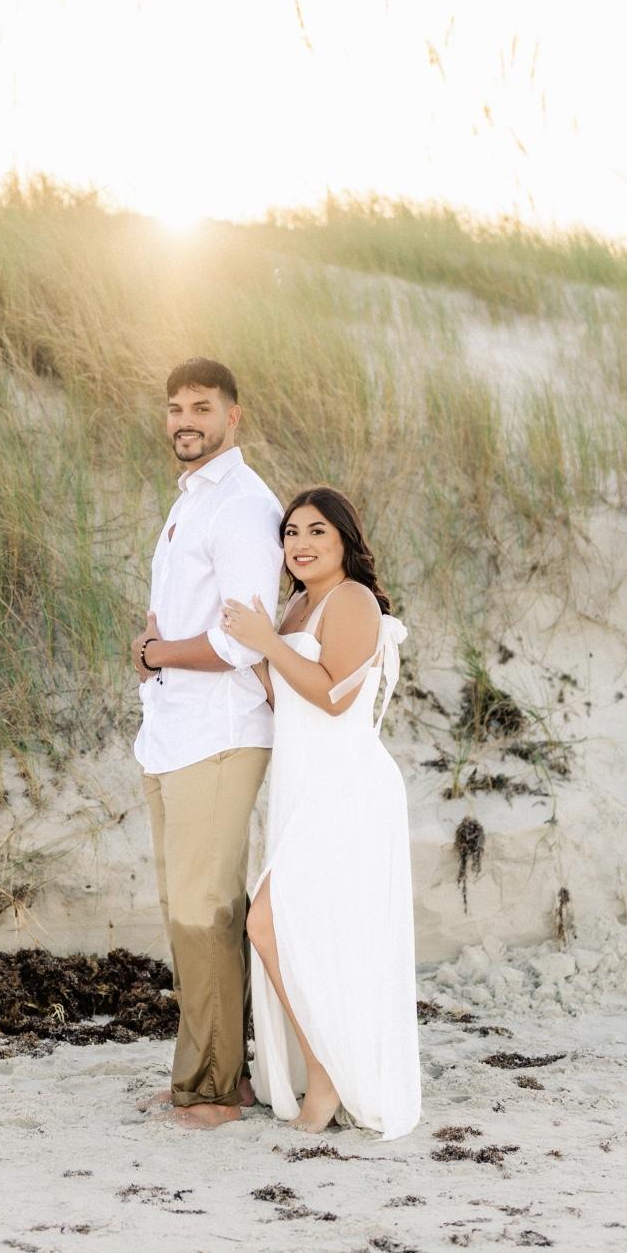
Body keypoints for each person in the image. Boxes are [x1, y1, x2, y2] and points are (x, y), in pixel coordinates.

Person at [220, 486, 421, 1140]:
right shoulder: (296, 606)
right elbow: (290, 701)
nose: (301, 545)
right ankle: (326, 1068)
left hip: (346, 784)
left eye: (316, 532)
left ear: (344, 541)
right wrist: (251, 652)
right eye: (291, 533)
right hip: (302, 786)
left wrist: (268, 643)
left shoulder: (352, 600)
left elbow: (336, 696)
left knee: (268, 922)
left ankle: (327, 1075)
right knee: (303, 929)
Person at [129, 357, 284, 1129]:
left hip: (219, 735)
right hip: (173, 729)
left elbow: (240, 638)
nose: (185, 420)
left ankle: (216, 1092)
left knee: (205, 912)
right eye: (175, 407)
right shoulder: (192, 499)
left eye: (201, 406)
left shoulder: (244, 506)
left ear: (233, 416)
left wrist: (157, 652)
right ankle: (214, 1075)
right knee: (187, 909)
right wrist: (153, 651)